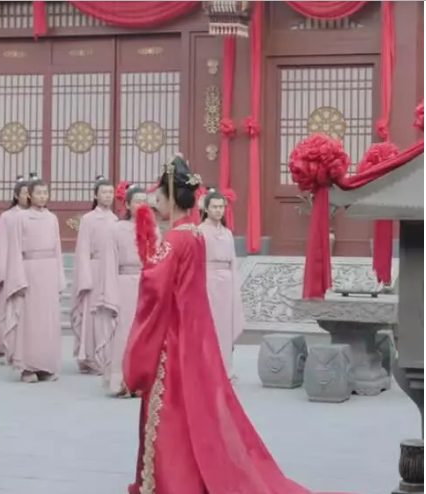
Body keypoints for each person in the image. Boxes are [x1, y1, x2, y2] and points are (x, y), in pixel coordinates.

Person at [124, 154, 321, 494]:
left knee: (171, 413)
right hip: (193, 336)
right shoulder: (196, 236)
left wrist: (148, 262)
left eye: (160, 195)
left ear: (173, 197)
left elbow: (154, 292)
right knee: (194, 411)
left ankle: (174, 482)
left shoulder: (174, 240)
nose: (157, 201)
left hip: (172, 340)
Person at [3, 177, 65, 383]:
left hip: (49, 270)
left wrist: (59, 276)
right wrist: (18, 279)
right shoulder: (21, 218)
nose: (42, 196)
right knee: (29, 320)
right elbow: (15, 250)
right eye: (38, 193)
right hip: (29, 271)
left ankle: (46, 365)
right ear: (29, 195)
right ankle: (28, 367)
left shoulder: (52, 218)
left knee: (47, 319)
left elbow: (57, 248)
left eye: (45, 193)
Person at [100, 183, 147, 396]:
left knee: (144, 333)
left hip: (146, 283)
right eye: (137, 201)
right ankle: (121, 379)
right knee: (124, 331)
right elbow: (109, 262)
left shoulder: (153, 229)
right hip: (124, 283)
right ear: (127, 204)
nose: (141, 205)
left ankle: (141, 379)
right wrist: (110, 292)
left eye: (144, 201)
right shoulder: (116, 229)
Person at [71, 176, 118, 375]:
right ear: (96, 195)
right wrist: (85, 277)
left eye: (110, 192)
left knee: (106, 310)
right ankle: (90, 355)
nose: (108, 196)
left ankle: (105, 354)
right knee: (92, 312)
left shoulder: (116, 220)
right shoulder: (88, 219)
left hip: (110, 269)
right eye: (104, 192)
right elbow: (82, 249)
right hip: (94, 268)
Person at [199, 190, 244, 379]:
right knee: (210, 326)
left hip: (226, 281)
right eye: (214, 207)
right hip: (208, 280)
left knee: (225, 326)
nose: (218, 210)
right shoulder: (200, 231)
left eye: (221, 207)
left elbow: (233, 260)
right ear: (206, 209)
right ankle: (207, 370)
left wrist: (235, 284)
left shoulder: (227, 233)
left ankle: (226, 369)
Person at [0, 175, 30, 358]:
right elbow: (1, 245)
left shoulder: (38, 217)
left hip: (29, 268)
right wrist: (3, 270)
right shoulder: (7, 217)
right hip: (11, 267)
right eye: (25, 193)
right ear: (16, 195)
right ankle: (6, 344)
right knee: (8, 307)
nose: (28, 196)